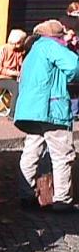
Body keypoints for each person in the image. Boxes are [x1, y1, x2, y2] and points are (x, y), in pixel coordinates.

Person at [14, 19, 79, 212]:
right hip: (52, 108)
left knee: (31, 151)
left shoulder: (32, 51)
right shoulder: (52, 46)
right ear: (56, 36)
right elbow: (74, 66)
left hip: (30, 111)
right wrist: (69, 79)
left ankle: (26, 194)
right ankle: (62, 200)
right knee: (62, 155)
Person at [0, 29, 27, 120]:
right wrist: (14, 73)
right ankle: (12, 114)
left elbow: (20, 66)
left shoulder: (19, 51)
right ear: (18, 42)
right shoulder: (3, 50)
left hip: (11, 78)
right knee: (16, 87)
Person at [59, 2, 79, 119]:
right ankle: (69, 111)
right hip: (67, 56)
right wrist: (69, 41)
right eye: (75, 13)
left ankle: (75, 112)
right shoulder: (63, 24)